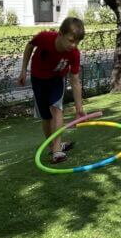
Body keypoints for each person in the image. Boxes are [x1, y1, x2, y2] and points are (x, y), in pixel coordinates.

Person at [18, 17, 87, 163]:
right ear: (60, 34)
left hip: (56, 80)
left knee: (56, 108)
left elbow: (75, 81)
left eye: (77, 42)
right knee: (46, 116)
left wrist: (79, 108)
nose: (74, 45)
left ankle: (57, 150)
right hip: (38, 78)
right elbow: (29, 46)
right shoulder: (45, 38)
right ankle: (52, 146)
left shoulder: (74, 54)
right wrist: (23, 70)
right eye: (70, 40)